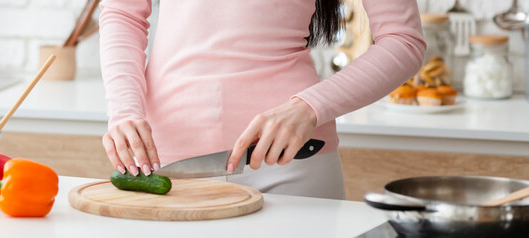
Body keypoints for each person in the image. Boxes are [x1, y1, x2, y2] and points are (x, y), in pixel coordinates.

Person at [98, 0, 426, 199]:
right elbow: (122, 13)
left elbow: (403, 40)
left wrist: (310, 106)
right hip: (169, 164)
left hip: (289, 163)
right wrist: (125, 110)